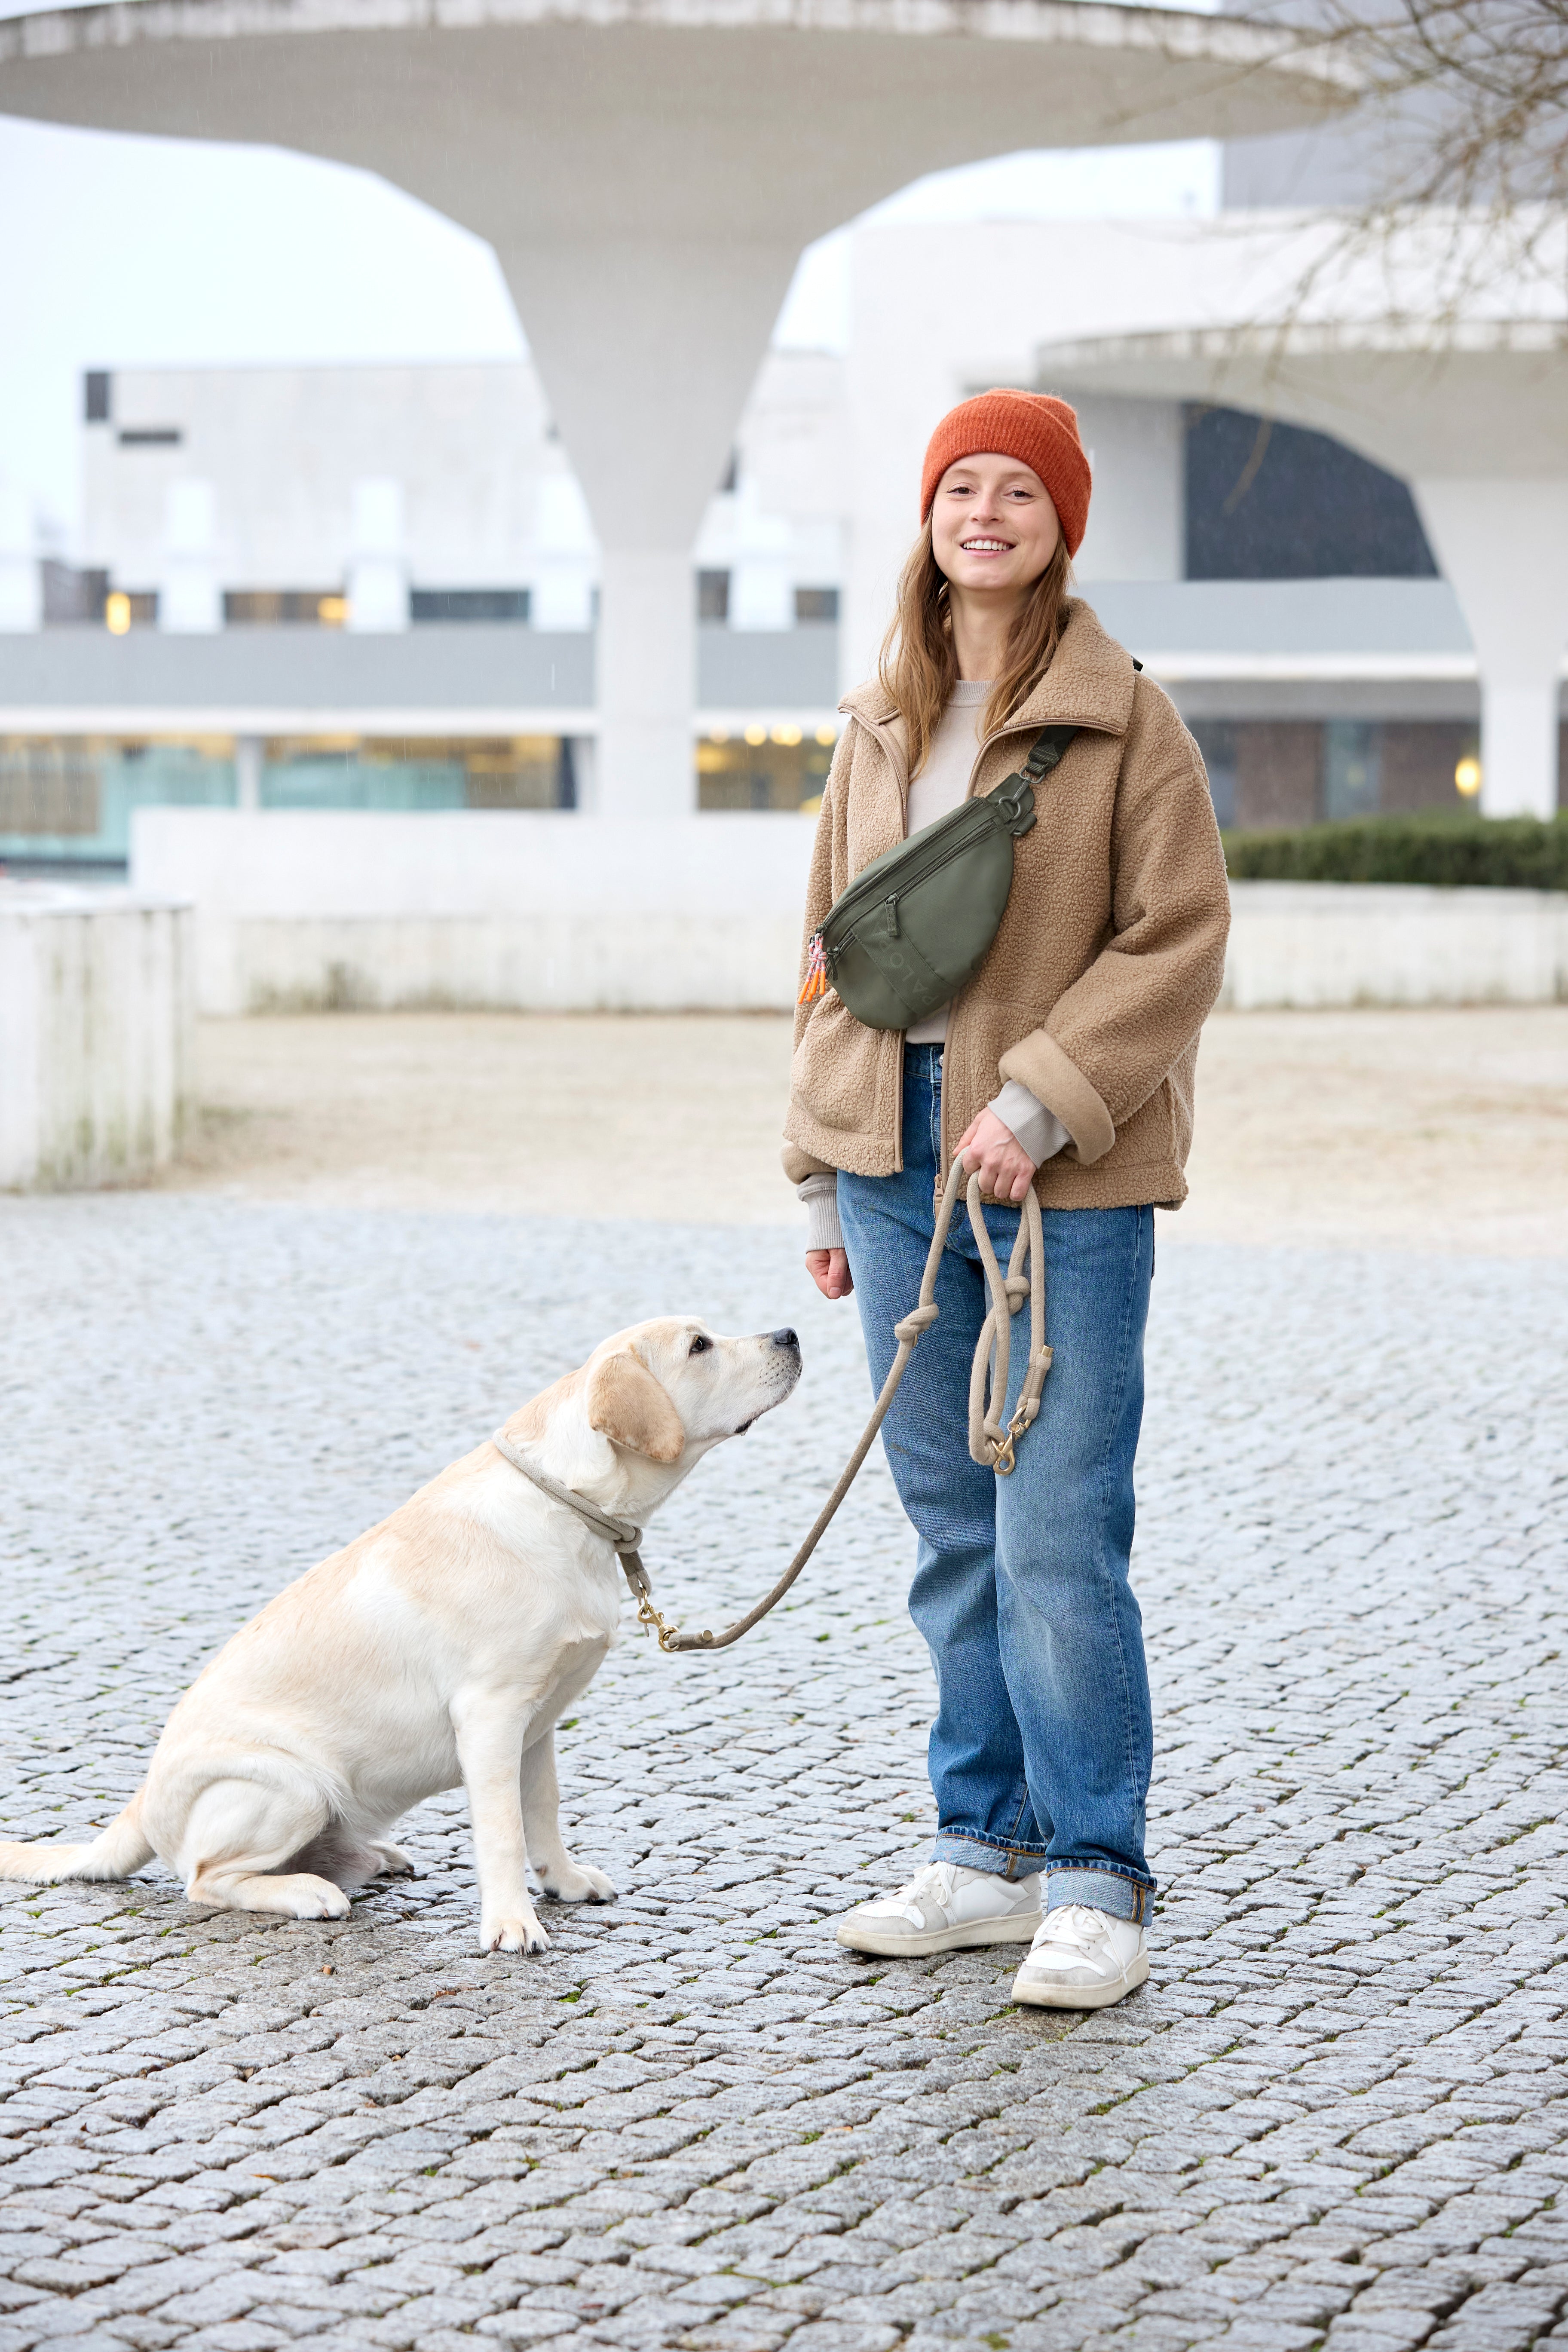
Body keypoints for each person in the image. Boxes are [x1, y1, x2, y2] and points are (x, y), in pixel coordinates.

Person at [784, 389, 1230, 2011]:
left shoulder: (1128, 721)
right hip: (896, 1161)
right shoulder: (880, 720)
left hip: (1069, 1171)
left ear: (1061, 523)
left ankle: (1097, 1875)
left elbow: (1178, 941)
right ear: (928, 516)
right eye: (958, 486)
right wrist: (821, 1178)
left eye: (1016, 491)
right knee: (951, 1533)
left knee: (1056, 1529)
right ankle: (983, 1851)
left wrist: (1038, 1101)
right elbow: (834, 955)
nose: (984, 512)